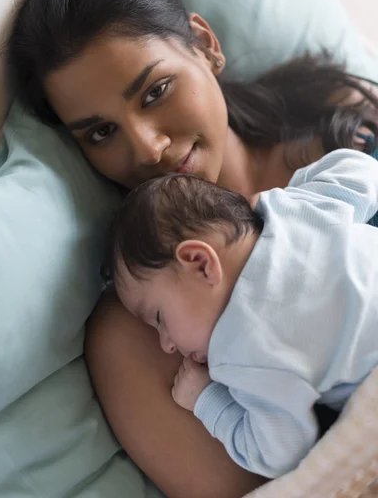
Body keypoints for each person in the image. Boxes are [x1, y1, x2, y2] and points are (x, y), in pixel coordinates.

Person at [6, 0, 378, 498]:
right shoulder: (141, 331)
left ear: (204, 45)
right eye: (101, 132)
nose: (147, 147)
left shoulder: (343, 132)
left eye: (155, 91)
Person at [103, 148, 378, 479]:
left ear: (200, 263)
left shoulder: (245, 349)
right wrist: (291, 190)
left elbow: (280, 453)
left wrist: (206, 399)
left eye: (159, 318)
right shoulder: (294, 209)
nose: (167, 345)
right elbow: (363, 169)